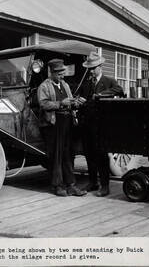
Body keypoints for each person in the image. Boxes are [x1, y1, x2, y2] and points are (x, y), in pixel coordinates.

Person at [37, 59, 87, 197]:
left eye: (62, 73)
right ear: (51, 72)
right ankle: (58, 186)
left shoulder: (64, 85)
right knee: (56, 156)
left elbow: (70, 102)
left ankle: (71, 185)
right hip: (53, 125)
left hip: (67, 122)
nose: (62, 76)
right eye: (59, 73)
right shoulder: (44, 86)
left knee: (68, 155)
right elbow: (43, 104)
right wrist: (61, 103)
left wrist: (76, 102)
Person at [78, 51, 124, 197]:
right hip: (86, 124)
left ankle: (105, 186)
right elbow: (83, 99)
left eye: (93, 68)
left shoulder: (108, 81)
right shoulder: (86, 84)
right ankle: (93, 182)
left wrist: (100, 95)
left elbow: (119, 90)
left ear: (100, 66)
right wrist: (80, 102)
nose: (91, 71)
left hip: (101, 126)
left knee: (101, 155)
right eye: (89, 69)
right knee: (89, 154)